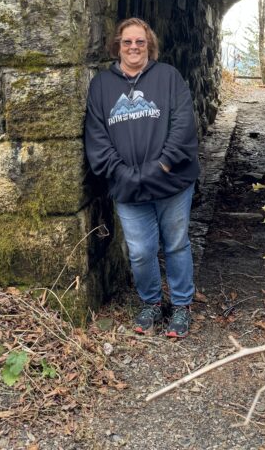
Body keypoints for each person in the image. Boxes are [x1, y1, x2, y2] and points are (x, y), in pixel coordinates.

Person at [84, 17, 199, 338]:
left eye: (140, 42)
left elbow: (183, 126)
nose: (134, 47)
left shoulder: (169, 78)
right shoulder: (101, 87)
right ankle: (150, 302)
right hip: (127, 187)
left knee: (176, 244)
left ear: (150, 46)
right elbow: (97, 136)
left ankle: (180, 306)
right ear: (117, 46)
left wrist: (158, 167)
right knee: (140, 250)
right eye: (127, 42)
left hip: (171, 182)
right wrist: (122, 173)